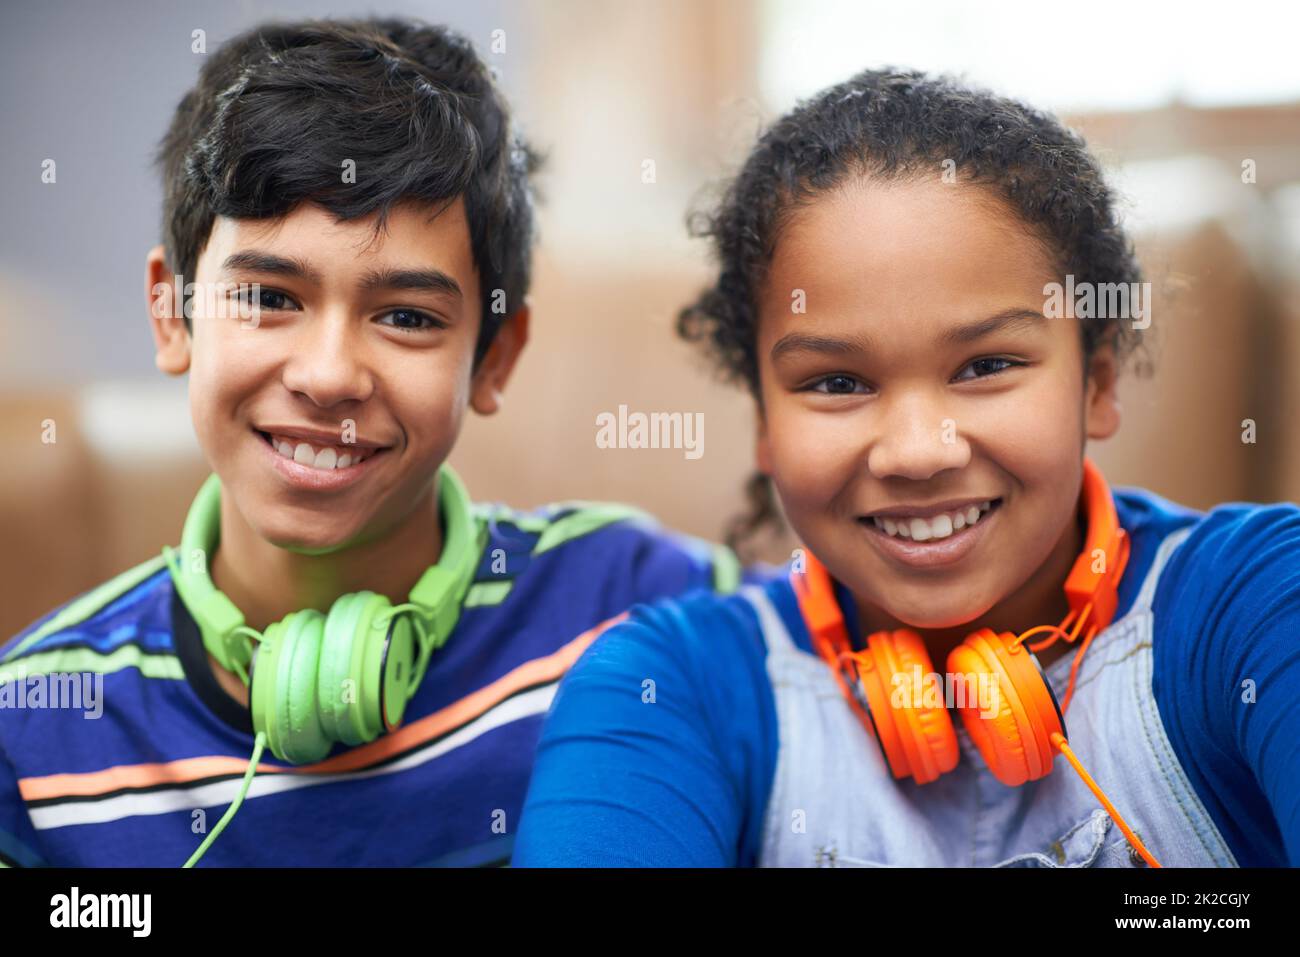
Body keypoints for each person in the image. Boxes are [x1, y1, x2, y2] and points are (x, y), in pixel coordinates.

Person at [0, 16, 742, 868]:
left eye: (405, 317)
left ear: (494, 358)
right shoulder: (31, 729)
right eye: (270, 297)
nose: (328, 375)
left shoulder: (634, 600)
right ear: (174, 315)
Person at [513, 68, 1300, 867]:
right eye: (837, 383)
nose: (919, 451)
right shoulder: (662, 688)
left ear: (1096, 382)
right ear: (762, 422)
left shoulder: (1261, 600)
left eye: (986, 364)